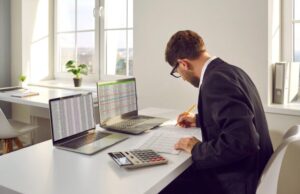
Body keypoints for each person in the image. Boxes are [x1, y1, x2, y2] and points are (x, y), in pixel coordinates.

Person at [160, 30, 274, 194]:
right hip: (252, 170)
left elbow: (243, 142)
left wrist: (196, 148)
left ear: (184, 64)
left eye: (177, 72)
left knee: (166, 186)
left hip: (238, 181)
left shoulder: (215, 81)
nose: (182, 78)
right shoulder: (232, 71)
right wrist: (199, 120)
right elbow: (239, 117)